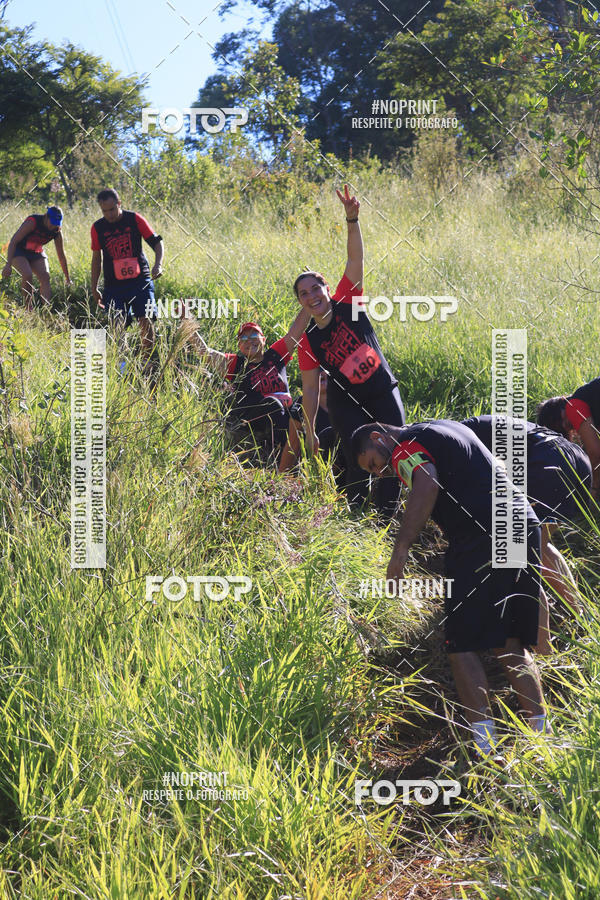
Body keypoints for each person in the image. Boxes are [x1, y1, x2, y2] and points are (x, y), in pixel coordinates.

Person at [351, 419, 548, 757]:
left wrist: (400, 551)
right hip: (521, 523)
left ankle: (485, 752)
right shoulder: (446, 429)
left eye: (374, 462)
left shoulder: (406, 444)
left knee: (460, 644)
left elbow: (426, 484)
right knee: (509, 642)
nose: (381, 471)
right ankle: (545, 739)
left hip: (482, 535)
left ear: (377, 436)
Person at [294, 185, 405, 516]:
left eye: (316, 288)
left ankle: (385, 518)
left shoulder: (349, 302)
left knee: (395, 450)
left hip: (381, 389)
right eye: (304, 293)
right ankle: (356, 515)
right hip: (347, 403)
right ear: (300, 302)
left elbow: (355, 258)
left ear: (327, 289)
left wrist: (352, 219)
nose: (312, 295)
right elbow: (311, 389)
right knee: (356, 459)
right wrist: (310, 430)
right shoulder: (309, 341)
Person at [462, 415, 592, 645]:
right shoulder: (466, 430)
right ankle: (583, 620)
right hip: (576, 459)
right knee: (540, 548)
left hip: (548, 460)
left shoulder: (450, 441)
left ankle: (544, 654)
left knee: (523, 565)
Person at [186, 314, 309, 464]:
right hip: (254, 417)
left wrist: (309, 306)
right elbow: (205, 352)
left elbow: (297, 330)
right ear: (239, 347)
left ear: (264, 340)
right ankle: (286, 458)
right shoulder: (237, 363)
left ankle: (308, 454)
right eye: (243, 338)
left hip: (284, 413)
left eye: (254, 335)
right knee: (272, 403)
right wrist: (186, 319)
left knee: (305, 402)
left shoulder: (276, 355)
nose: (249, 340)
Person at [91, 189, 163, 364]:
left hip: (140, 281)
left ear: (119, 203)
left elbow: (157, 242)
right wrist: (94, 287)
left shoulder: (134, 219)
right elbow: (96, 259)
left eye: (111, 209)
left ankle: (148, 364)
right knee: (117, 325)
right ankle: (123, 367)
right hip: (113, 286)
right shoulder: (98, 227)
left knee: (145, 320)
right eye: (104, 211)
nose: (108, 214)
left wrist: (158, 264)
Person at [537, 379, 600, 500]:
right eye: (558, 427)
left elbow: (595, 454)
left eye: (557, 419)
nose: (564, 425)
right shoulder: (592, 406)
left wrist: (595, 489)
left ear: (561, 406)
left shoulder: (573, 406)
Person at [2, 206, 71, 309]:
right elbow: (14, 241)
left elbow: (61, 255)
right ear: (46, 217)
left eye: (57, 223)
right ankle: (28, 309)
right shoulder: (33, 222)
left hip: (36, 252)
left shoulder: (56, 231)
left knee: (45, 276)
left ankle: (46, 309)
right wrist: (8, 265)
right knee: (27, 274)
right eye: (52, 222)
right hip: (19, 250)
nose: (54, 226)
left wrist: (67, 278)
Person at [278, 371, 341, 473]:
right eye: (317, 368)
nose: (321, 371)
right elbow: (292, 444)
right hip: (312, 473)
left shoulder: (348, 405)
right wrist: (280, 478)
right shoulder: (302, 404)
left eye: (325, 367)